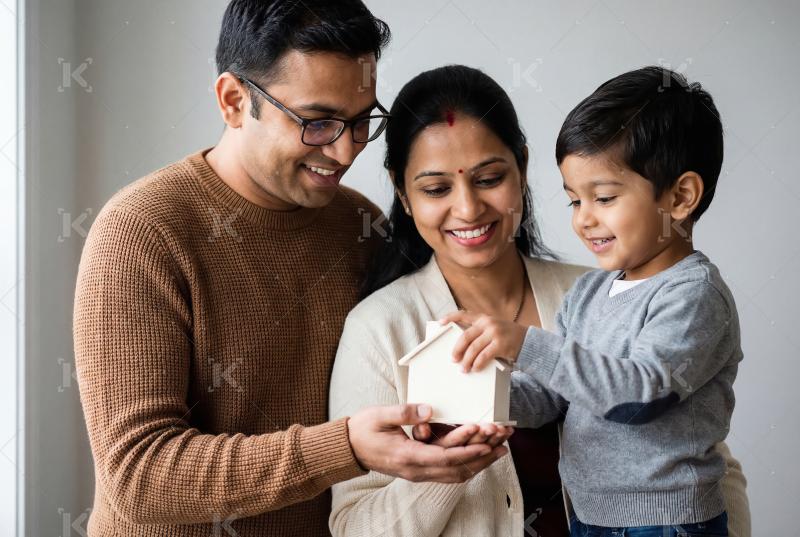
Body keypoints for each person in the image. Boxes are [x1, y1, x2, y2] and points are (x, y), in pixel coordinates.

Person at [72, 3, 507, 535]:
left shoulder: (359, 226)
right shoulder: (142, 232)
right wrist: (343, 446)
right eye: (317, 122)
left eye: (361, 120)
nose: (345, 149)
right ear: (234, 101)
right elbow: (138, 478)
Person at [328, 65, 750, 537]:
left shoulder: (669, 292)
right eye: (436, 188)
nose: (467, 209)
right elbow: (355, 528)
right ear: (404, 194)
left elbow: (681, 432)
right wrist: (468, 417)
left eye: (489, 178)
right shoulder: (379, 329)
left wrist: (523, 344)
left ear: (522, 168)